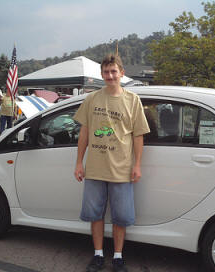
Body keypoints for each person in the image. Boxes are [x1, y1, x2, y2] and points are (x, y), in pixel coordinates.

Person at [73, 54, 150, 272]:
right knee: (95, 215)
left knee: (121, 217)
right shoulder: (92, 99)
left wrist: (137, 165)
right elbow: (84, 134)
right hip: (95, 169)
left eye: (114, 71)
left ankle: (117, 256)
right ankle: (98, 255)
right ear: (101, 74)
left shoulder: (132, 100)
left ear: (122, 73)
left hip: (122, 170)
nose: (110, 75)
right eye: (106, 72)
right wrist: (79, 163)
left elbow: (138, 136)